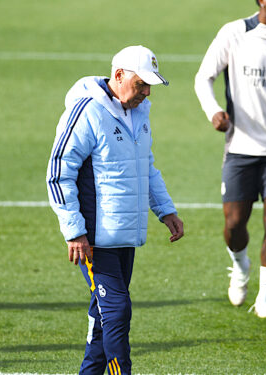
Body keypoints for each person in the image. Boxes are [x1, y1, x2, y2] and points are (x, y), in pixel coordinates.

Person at [47, 45, 185, 375]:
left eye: (150, 85)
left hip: (125, 236)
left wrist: (165, 210)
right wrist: (75, 231)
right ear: (119, 75)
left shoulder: (140, 112)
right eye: (141, 84)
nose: (147, 92)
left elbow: (145, 166)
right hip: (95, 238)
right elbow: (58, 171)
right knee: (117, 311)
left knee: (104, 315)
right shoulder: (86, 112)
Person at [194, 0, 266, 318]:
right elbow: (203, 77)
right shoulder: (234, 33)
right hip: (240, 146)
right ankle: (240, 264)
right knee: (234, 224)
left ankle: (265, 298)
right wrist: (214, 111)